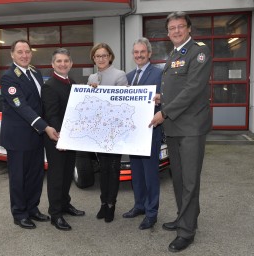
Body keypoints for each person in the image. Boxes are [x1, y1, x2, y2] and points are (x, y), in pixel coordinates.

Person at [149, 11, 212, 252]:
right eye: (172, 28)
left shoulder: (199, 52)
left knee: (190, 180)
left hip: (191, 128)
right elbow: (177, 89)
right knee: (179, 178)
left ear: (188, 29)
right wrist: (161, 98)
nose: (176, 31)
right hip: (175, 127)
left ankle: (187, 231)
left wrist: (163, 112)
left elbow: (193, 89)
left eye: (180, 27)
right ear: (168, 33)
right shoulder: (175, 53)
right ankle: (184, 217)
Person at [0, 39, 59, 230]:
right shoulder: (8, 77)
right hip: (18, 138)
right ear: (12, 55)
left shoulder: (35, 72)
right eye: (20, 52)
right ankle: (19, 213)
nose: (24, 55)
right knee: (19, 177)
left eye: (27, 52)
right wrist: (45, 127)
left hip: (36, 136)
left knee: (35, 174)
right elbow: (21, 106)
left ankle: (32, 208)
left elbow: (41, 102)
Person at [41, 48, 85, 231]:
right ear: (53, 64)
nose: (63, 64)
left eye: (66, 61)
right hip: (57, 140)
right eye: (59, 61)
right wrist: (61, 140)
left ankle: (65, 204)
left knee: (67, 175)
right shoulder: (50, 85)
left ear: (71, 64)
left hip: (70, 139)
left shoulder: (71, 82)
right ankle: (55, 214)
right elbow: (52, 116)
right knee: (56, 177)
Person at [122, 38, 162, 230]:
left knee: (150, 175)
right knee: (136, 174)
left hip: (150, 133)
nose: (139, 55)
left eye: (142, 52)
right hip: (132, 134)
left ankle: (151, 213)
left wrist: (161, 100)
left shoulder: (160, 74)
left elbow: (167, 98)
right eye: (136, 52)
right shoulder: (128, 77)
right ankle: (139, 205)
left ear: (149, 53)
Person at [88, 43, 128, 223]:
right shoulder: (92, 77)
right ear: (94, 59)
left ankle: (112, 204)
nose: (101, 59)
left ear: (110, 57)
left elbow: (121, 104)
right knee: (103, 169)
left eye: (104, 55)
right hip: (98, 132)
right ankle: (103, 203)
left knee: (113, 169)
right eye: (97, 56)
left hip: (114, 131)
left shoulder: (120, 75)